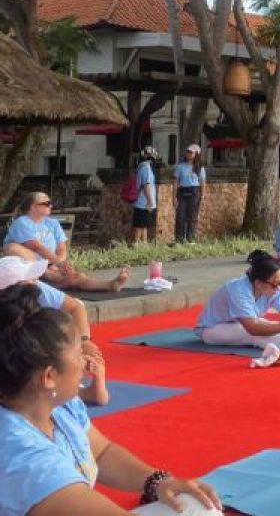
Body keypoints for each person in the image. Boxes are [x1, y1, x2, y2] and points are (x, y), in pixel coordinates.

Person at [0, 285, 223, 515]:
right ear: (49, 377)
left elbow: (100, 451)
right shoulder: (17, 450)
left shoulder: (57, 404)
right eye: (78, 354)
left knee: (195, 504)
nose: (86, 360)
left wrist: (158, 481)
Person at [0, 256, 106, 406]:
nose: (35, 281)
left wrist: (83, 343)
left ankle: (79, 390)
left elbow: (76, 307)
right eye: (30, 279)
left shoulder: (34, 289)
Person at [196, 250, 280, 351]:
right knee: (254, 334)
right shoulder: (238, 290)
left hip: (243, 324)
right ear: (259, 283)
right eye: (274, 284)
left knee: (271, 324)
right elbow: (253, 329)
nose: (278, 289)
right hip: (212, 329)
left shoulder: (273, 289)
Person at [3, 193, 129, 293]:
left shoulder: (52, 223)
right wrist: (57, 263)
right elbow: (36, 247)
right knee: (12, 247)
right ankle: (48, 276)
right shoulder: (22, 222)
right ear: (34, 207)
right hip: (29, 266)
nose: (51, 206)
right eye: (46, 203)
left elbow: (62, 248)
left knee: (76, 276)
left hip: (51, 264)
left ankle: (110, 285)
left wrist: (60, 264)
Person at [173, 144, 206, 244]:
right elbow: (175, 182)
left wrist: (202, 195)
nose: (188, 153)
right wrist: (173, 197)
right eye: (187, 151)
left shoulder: (200, 168)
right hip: (182, 192)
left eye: (191, 152)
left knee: (192, 216)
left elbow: (202, 182)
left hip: (194, 192)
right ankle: (179, 239)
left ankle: (191, 238)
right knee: (180, 216)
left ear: (196, 154)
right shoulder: (180, 166)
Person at [131, 146, 158, 244]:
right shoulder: (146, 168)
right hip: (144, 202)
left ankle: (144, 244)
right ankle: (137, 244)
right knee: (140, 226)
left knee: (143, 225)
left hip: (140, 201)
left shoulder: (140, 167)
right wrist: (150, 202)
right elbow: (146, 186)